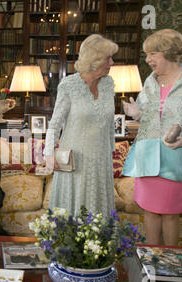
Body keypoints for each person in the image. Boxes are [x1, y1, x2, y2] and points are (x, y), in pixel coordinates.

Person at [122, 29, 182, 246]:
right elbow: (150, 114)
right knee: (150, 212)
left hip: (176, 158)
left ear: (168, 52)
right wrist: (137, 113)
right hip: (147, 155)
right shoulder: (150, 81)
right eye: (147, 55)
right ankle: (151, 260)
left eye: (153, 54)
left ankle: (170, 265)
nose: (148, 60)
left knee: (171, 214)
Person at [44, 34, 119, 217]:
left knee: (98, 212)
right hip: (74, 159)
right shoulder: (69, 85)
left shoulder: (109, 84)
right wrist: (48, 153)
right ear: (95, 60)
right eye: (108, 58)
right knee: (73, 211)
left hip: (101, 159)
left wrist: (111, 150)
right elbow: (55, 123)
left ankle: (96, 245)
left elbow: (109, 122)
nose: (112, 63)